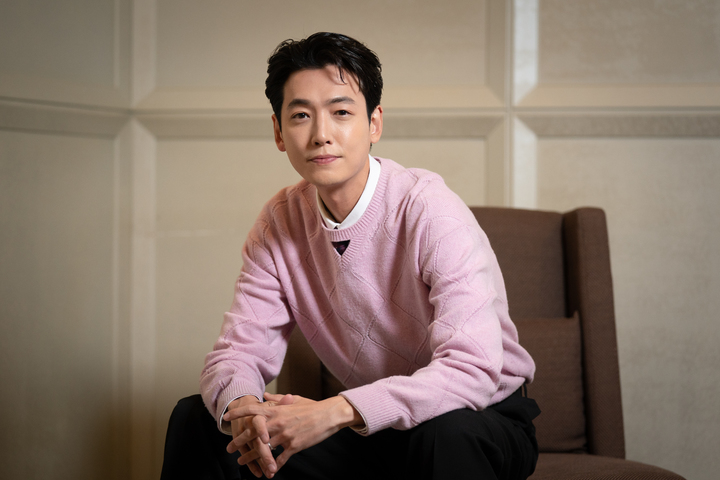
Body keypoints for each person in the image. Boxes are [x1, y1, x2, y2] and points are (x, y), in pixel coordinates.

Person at [161, 32, 540, 480]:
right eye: (301, 116)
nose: (321, 135)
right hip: (372, 427)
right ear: (279, 132)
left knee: (445, 434)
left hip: (479, 418)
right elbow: (237, 351)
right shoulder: (279, 222)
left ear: (374, 123)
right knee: (201, 420)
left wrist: (335, 411)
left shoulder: (430, 209)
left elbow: (472, 371)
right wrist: (244, 408)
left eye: (341, 112)